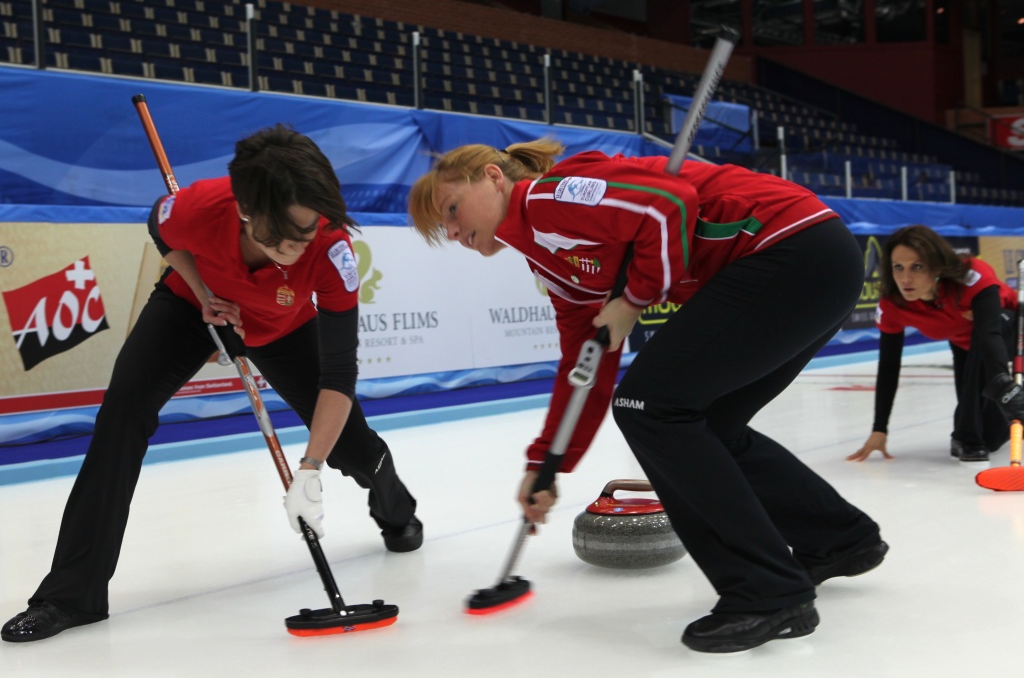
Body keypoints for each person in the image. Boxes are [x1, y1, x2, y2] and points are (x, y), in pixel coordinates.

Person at [408, 139, 887, 653]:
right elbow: (584, 364)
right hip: (813, 262)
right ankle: (838, 540)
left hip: (788, 249)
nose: (454, 233)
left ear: (493, 177)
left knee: (651, 407)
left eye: (453, 210)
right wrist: (549, 462)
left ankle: (767, 592)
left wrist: (635, 298)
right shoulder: (550, 259)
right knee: (708, 423)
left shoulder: (550, 199)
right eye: (445, 229)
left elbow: (668, 203)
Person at [1, 125, 422, 643]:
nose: (294, 248)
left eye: (307, 232)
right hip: (190, 305)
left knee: (353, 451)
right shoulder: (201, 208)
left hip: (283, 329)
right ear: (246, 210)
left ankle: (396, 508)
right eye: (280, 236)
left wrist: (309, 468)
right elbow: (160, 229)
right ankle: (70, 594)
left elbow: (339, 374)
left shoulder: (332, 251)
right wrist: (202, 292)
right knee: (121, 417)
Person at [848, 225, 1019, 463]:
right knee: (991, 437)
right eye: (898, 268)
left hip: (1007, 330)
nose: (905, 278)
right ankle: (972, 433)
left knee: (983, 337)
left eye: (917, 267)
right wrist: (880, 429)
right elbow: (888, 366)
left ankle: (966, 436)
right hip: (965, 344)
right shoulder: (893, 304)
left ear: (937, 265)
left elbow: (990, 333)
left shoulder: (972, 277)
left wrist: (1004, 387)